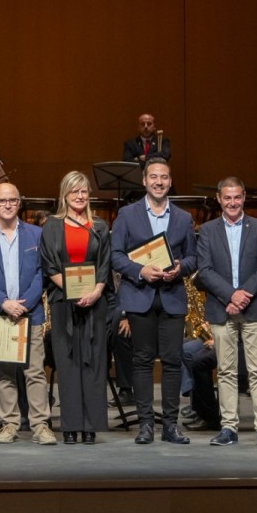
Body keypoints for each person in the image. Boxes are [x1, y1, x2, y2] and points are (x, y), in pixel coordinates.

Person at [111, 157, 197, 445]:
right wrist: (140, 271)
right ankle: (146, 424)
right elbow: (116, 256)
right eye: (154, 177)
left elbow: (193, 258)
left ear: (170, 181)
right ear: (144, 181)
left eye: (164, 177)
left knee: (173, 362)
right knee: (142, 362)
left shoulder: (184, 218)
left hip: (172, 297)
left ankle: (171, 425)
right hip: (139, 297)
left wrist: (179, 269)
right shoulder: (126, 214)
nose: (159, 182)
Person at [0, 182, 55, 445]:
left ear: (19, 203)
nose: (7, 205)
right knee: (4, 371)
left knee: (35, 371)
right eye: (2, 201)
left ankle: (41, 425)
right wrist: (4, 303)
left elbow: (43, 274)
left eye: (12, 200)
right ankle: (9, 424)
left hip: (30, 314)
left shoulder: (36, 235)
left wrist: (25, 304)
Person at [195, 176, 257, 447]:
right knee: (226, 370)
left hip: (254, 307)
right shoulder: (207, 230)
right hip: (221, 307)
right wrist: (231, 295)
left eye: (237, 197)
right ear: (219, 199)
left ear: (244, 198)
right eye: (227, 197)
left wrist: (241, 297)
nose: (233, 202)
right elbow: (204, 270)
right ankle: (228, 427)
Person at [39, 171, 110, 444]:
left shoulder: (99, 226)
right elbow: (49, 265)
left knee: (92, 363)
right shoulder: (52, 226)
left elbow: (105, 265)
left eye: (84, 191)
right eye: (74, 191)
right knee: (67, 365)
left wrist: (95, 292)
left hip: (95, 303)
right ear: (65, 195)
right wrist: (73, 291)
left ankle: (90, 426)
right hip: (63, 303)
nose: (80, 196)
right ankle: (69, 425)